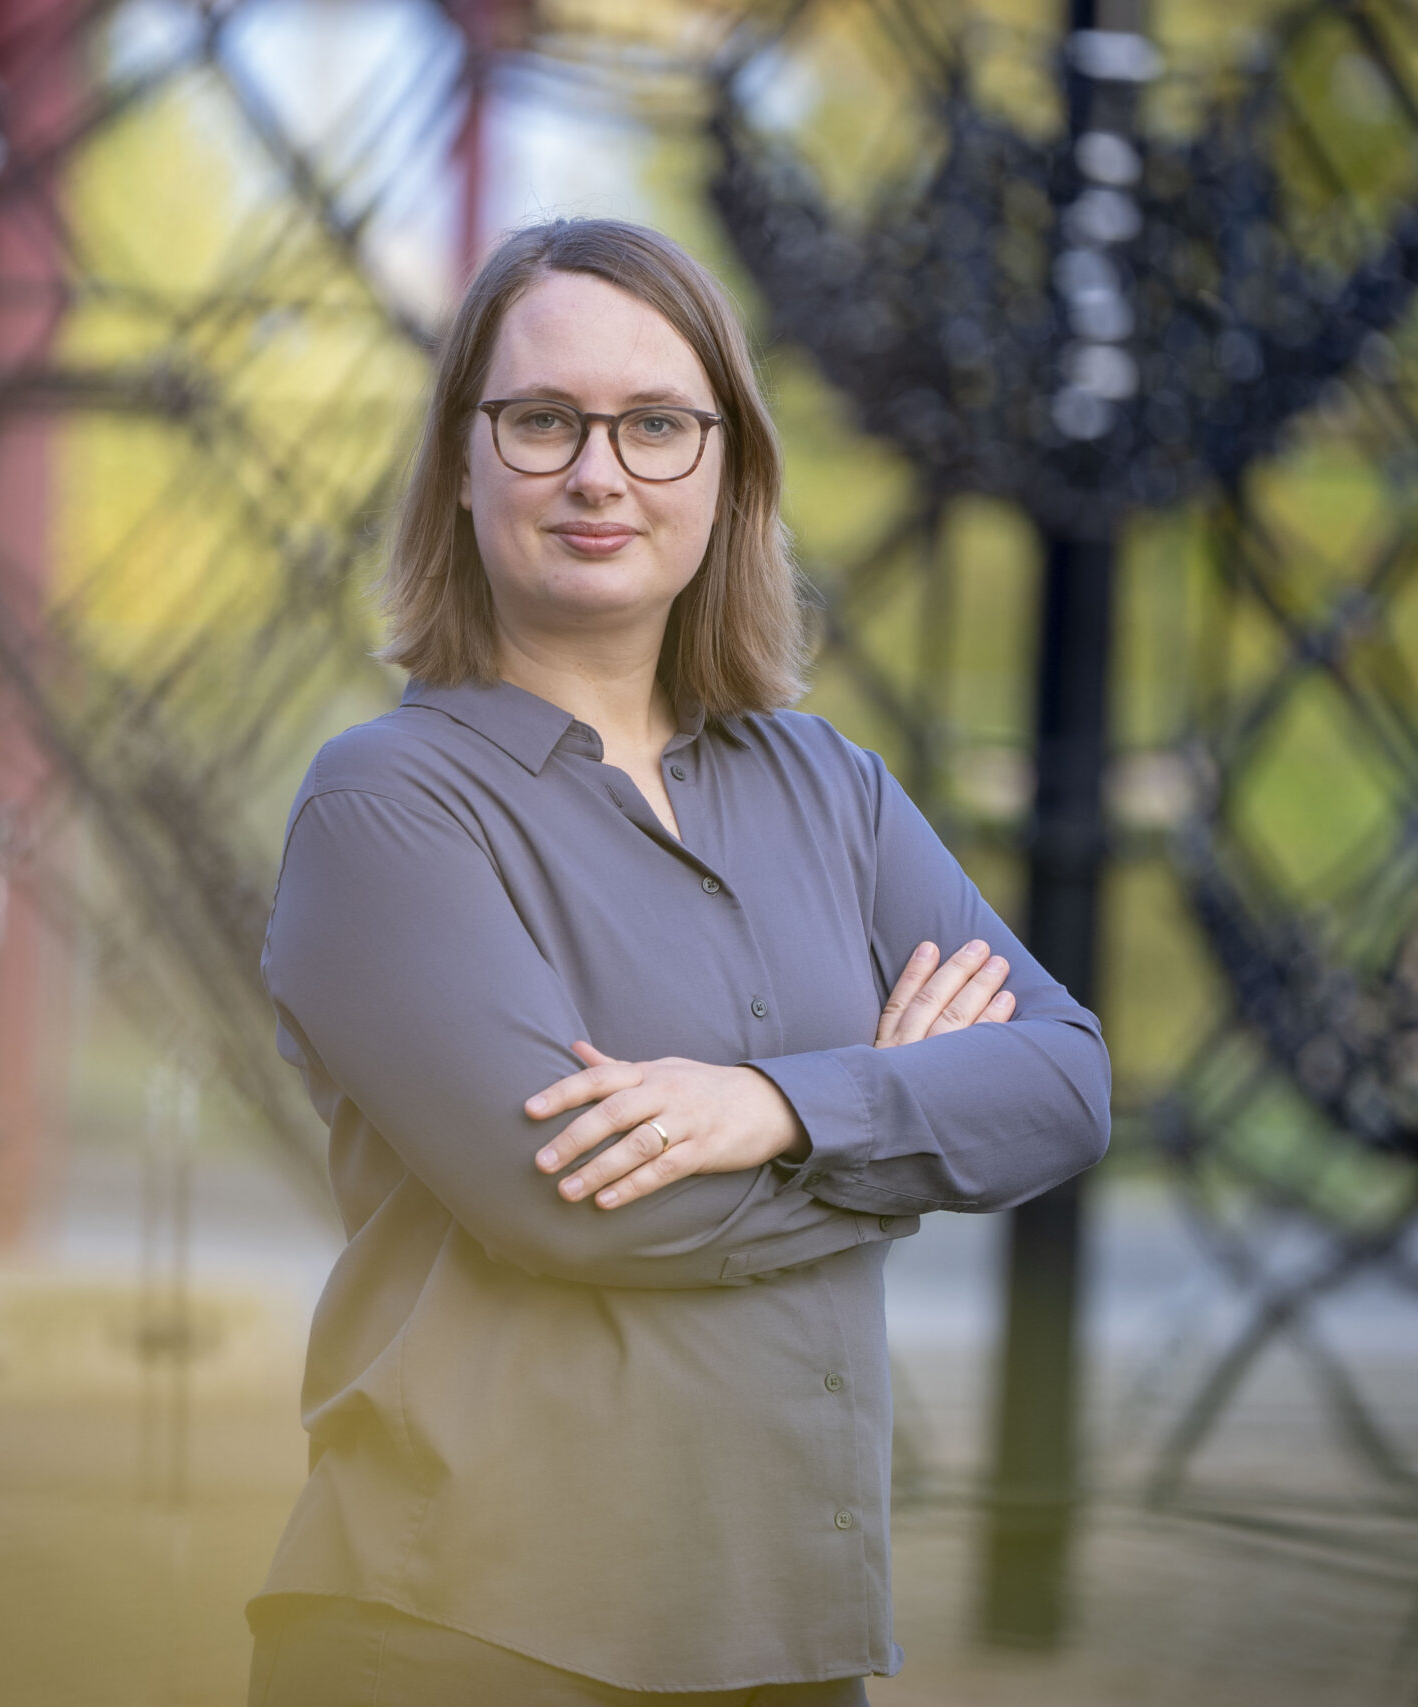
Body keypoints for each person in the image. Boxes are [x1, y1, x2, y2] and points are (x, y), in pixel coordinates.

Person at [247, 217, 1111, 1705]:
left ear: (728, 471)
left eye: (656, 424)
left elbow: (1068, 1083)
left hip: (791, 1640)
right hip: (460, 1635)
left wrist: (776, 1109)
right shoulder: (383, 804)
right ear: (461, 463)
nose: (600, 471)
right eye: (541, 421)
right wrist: (900, 1127)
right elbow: (572, 1209)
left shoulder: (828, 785)